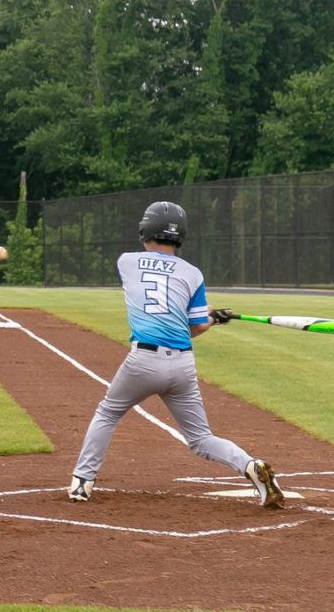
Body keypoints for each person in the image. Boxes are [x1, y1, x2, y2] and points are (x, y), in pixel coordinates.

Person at [66, 200, 285, 508]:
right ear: (180, 236)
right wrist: (214, 318)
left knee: (107, 413)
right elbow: (195, 326)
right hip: (182, 367)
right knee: (201, 440)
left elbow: (158, 298)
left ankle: (82, 482)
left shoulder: (126, 261)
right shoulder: (193, 273)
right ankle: (251, 465)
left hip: (142, 363)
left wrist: (207, 316)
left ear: (146, 230)